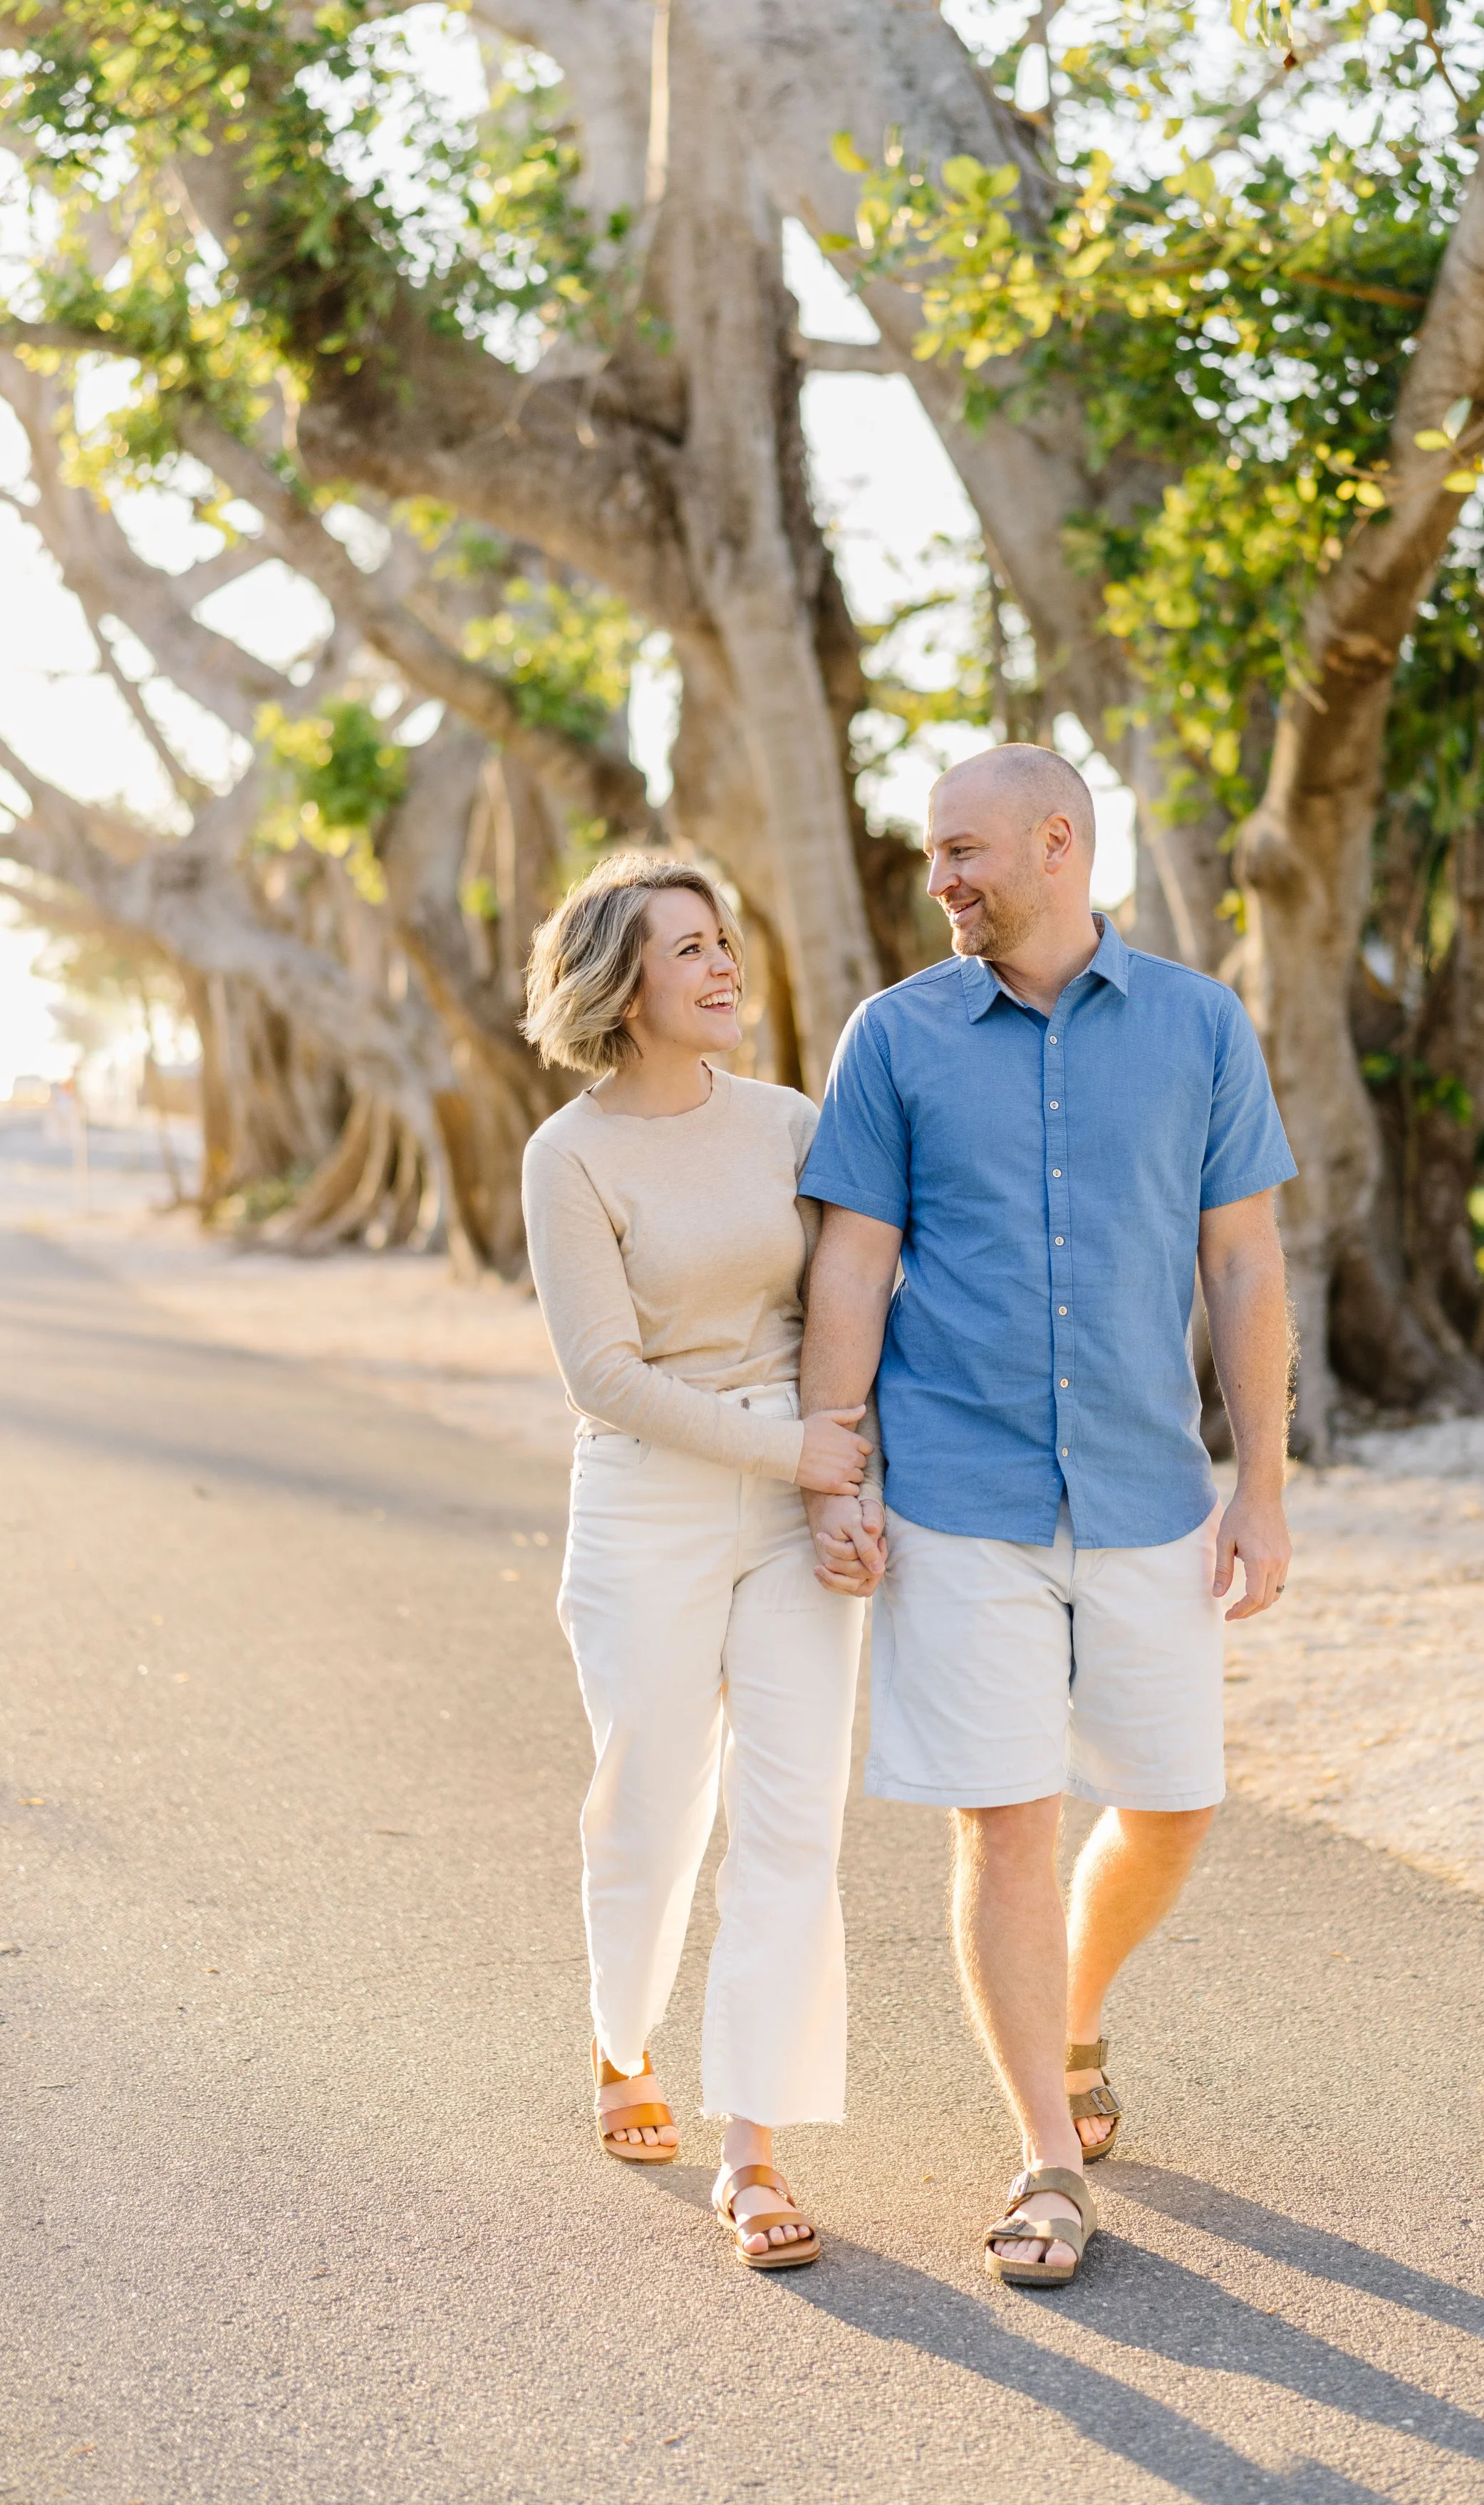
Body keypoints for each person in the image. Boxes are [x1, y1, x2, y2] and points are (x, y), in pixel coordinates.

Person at [797, 747, 1295, 2288]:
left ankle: (1073, 2013)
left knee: (1172, 1803)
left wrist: (1261, 1481)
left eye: (961, 850)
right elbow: (852, 1265)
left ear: (1057, 840)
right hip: (959, 1493)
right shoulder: (894, 1035)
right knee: (1005, 1817)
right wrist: (839, 1466)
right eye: (933, 854)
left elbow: (1242, 1265)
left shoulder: (1201, 1024)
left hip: (1148, 1485)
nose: (939, 877)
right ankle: (1044, 2156)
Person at [520, 855, 872, 2271]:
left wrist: (846, 1479)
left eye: (726, 939)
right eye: (687, 947)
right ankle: (622, 2040)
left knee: (792, 1822)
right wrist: (792, 1451)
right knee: (649, 1808)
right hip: (651, 1509)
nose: (723, 965)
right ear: (622, 984)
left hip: (796, 1507)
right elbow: (602, 1372)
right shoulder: (571, 1155)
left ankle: (753, 2143)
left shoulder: (791, 1123)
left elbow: (849, 1317)